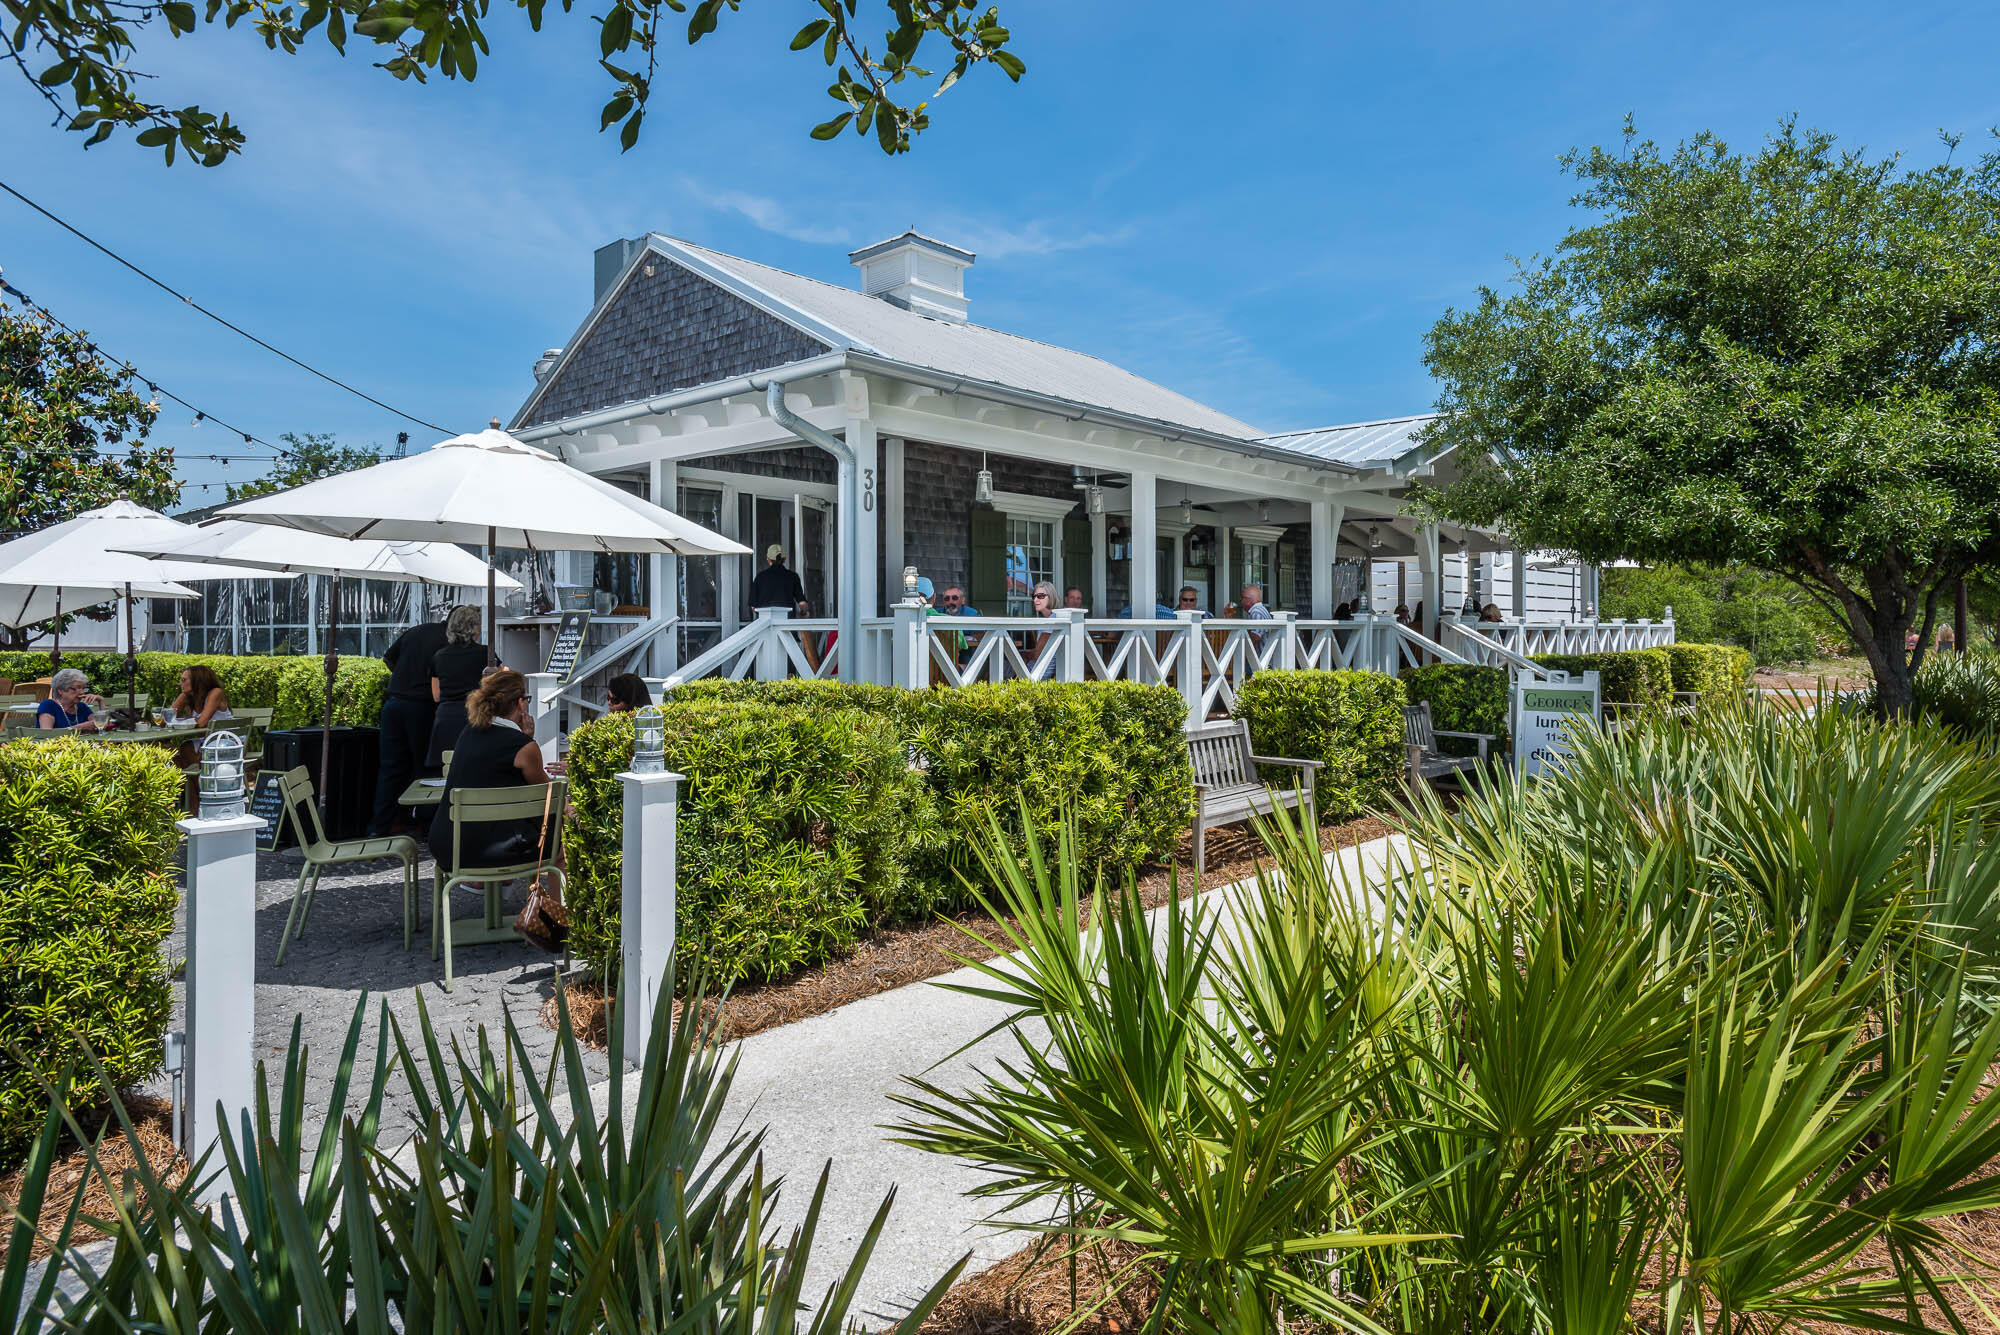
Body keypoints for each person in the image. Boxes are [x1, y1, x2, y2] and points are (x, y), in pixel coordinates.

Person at [429, 668, 556, 876]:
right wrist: (529, 740)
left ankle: (491, 888)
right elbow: (549, 795)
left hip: (448, 846)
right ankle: (557, 909)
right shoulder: (524, 748)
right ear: (520, 703)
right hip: (491, 851)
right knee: (560, 841)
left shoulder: (468, 732)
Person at [371, 610, 449, 835]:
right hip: (421, 706)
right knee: (424, 768)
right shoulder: (447, 642)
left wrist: (404, 677)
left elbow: (387, 658)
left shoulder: (417, 631)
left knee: (390, 768)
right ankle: (425, 825)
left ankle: (379, 826)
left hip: (393, 704)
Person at [426, 605, 489, 770]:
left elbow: (436, 695)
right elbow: (497, 684)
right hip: (475, 715)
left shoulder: (439, 656)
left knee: (446, 772)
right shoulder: (485, 654)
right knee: (476, 768)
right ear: (474, 628)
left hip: (445, 719)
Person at [37, 667, 105, 732]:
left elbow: (102, 726)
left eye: (83, 688)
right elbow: (46, 734)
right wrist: (80, 727)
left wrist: (101, 701)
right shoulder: (48, 705)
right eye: (76, 688)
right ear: (60, 690)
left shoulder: (81, 706)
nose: (82, 692)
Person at [749, 544, 809, 615]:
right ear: (784, 559)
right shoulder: (792, 576)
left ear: (768, 559)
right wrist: (804, 613)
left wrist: (762, 614)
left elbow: (753, 606)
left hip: (765, 622)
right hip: (787, 622)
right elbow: (802, 603)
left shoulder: (760, 577)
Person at [168, 664, 233, 725]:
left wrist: (179, 722)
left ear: (197, 680)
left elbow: (201, 723)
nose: (179, 684)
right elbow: (165, 720)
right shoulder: (186, 696)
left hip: (226, 736)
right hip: (207, 736)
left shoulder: (216, 692)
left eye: (183, 680)